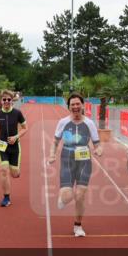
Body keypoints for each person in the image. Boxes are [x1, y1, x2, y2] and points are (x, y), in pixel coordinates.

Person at [48, 93, 103, 237]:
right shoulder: (63, 122)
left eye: (78, 104)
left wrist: (98, 150)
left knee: (80, 195)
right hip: (67, 159)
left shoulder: (89, 123)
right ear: (69, 107)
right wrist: (52, 154)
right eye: (72, 104)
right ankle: (64, 196)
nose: (75, 106)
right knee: (67, 196)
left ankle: (78, 226)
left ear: (82, 105)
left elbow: (97, 144)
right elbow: (55, 142)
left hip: (84, 161)